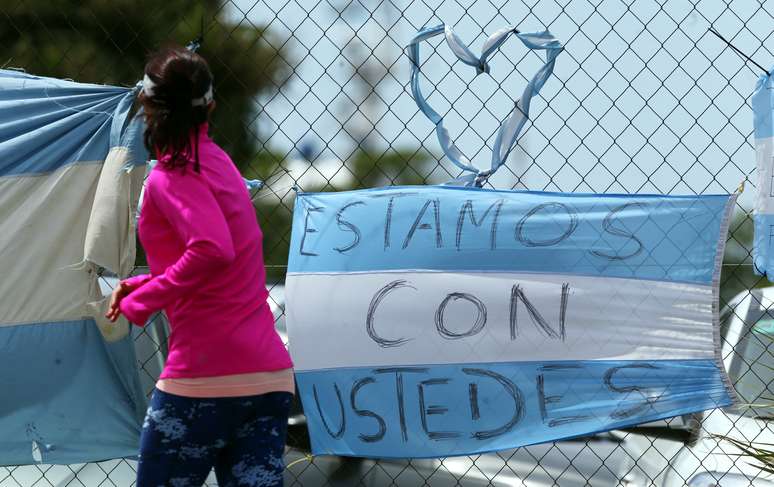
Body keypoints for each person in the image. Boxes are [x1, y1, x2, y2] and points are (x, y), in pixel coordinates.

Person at [106, 46, 294, 487]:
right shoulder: (221, 164)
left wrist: (145, 300)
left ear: (148, 106)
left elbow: (210, 249)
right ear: (209, 104)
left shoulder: (171, 175)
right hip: (267, 378)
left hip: (204, 381)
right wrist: (141, 284)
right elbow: (210, 264)